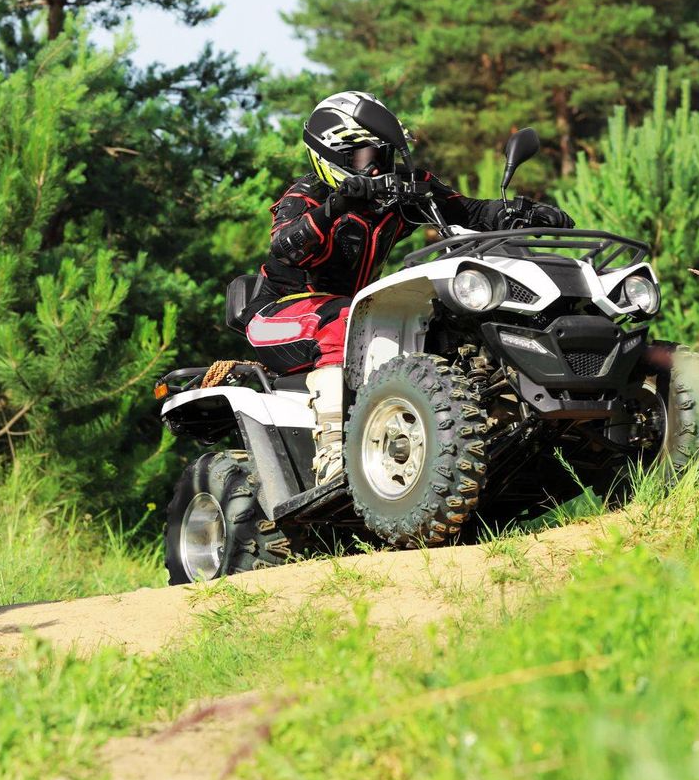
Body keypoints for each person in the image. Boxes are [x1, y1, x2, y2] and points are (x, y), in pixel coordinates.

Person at [240, 91, 574, 486]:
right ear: (332, 156)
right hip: (278, 314)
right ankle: (332, 452)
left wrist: (517, 210)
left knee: (440, 321)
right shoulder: (304, 197)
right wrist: (338, 204)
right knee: (344, 319)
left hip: (353, 310)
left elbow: (468, 211)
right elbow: (284, 246)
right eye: (365, 156)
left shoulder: (400, 189)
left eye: (382, 155)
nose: (378, 166)